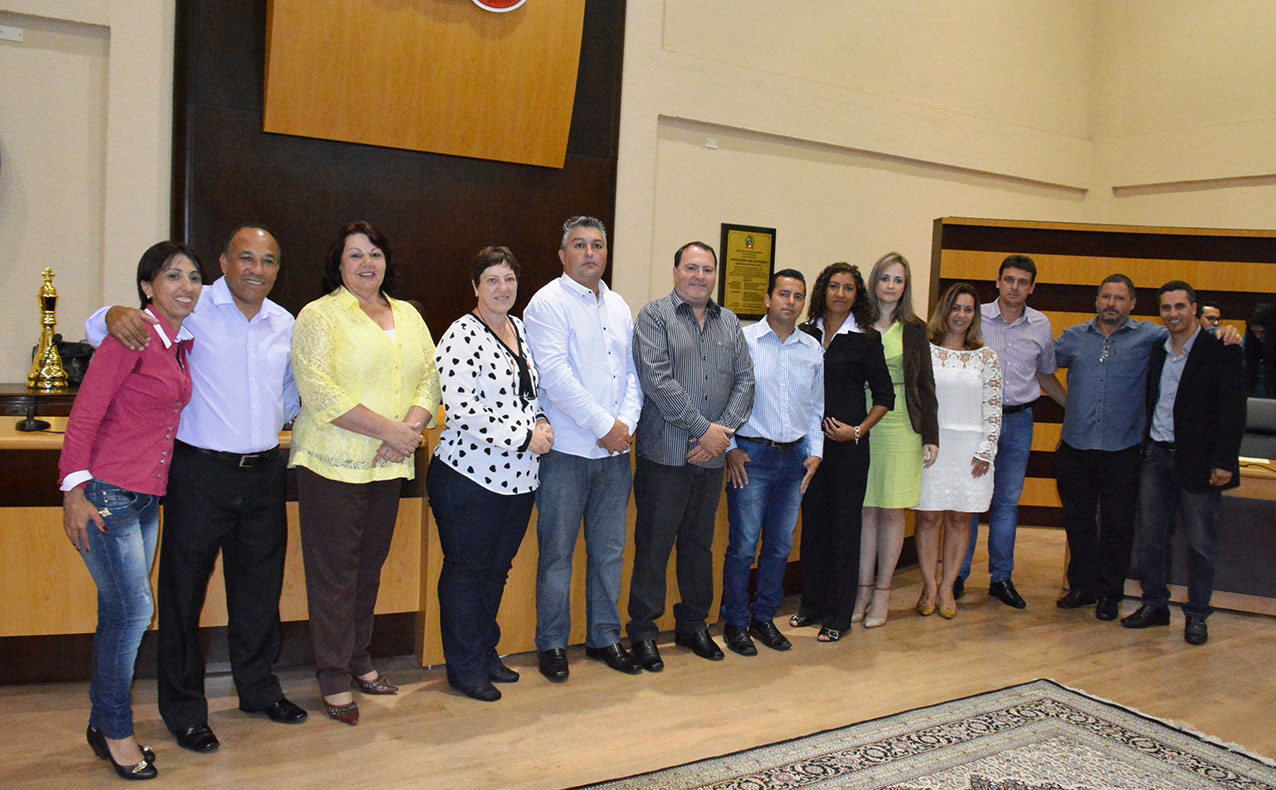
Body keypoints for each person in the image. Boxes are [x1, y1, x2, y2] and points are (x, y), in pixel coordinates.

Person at [91, 225, 306, 754]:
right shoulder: (193, 304)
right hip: (200, 473)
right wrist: (112, 313)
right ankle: (184, 711)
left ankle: (258, 689)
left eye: (268, 261)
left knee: (259, 591)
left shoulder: (285, 322)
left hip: (264, 472)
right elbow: (106, 331)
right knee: (182, 595)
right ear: (224, 262)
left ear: (279, 269)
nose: (257, 269)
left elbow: (288, 392)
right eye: (246, 258)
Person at [60, 241, 203, 780]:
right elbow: (85, 414)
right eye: (173, 276)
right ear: (148, 286)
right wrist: (73, 491)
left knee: (118, 613)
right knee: (134, 612)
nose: (186, 286)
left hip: (146, 497)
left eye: (194, 277)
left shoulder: (176, 343)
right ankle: (118, 732)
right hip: (108, 494)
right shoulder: (133, 336)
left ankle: (103, 722)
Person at [289, 221, 440, 724]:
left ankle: (358, 658)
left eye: (374, 253)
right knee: (334, 574)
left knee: (368, 568)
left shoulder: (408, 315)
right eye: (355, 255)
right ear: (339, 264)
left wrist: (408, 431)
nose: (366, 263)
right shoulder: (319, 315)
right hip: (332, 464)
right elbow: (319, 392)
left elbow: (429, 380)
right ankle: (332, 675)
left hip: (388, 466)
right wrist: (390, 431)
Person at [1054, 278, 1244, 621]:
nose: (1111, 303)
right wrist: (1070, 405)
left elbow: (1230, 405)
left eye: (1120, 298)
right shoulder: (1088, 338)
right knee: (1113, 529)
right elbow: (1040, 365)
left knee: (1154, 533)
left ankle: (1166, 607)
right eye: (1106, 297)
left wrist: (1225, 330)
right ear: (1096, 300)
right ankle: (1113, 594)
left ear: (1133, 304)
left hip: (1154, 454)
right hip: (1112, 450)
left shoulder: (1170, 341)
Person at [430, 247, 554, 701]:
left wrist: (541, 423)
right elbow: (463, 410)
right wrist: (525, 437)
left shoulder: (519, 329)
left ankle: (484, 653)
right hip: (469, 478)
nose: (503, 288)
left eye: (509, 279)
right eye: (492, 280)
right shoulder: (460, 335)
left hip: (518, 480)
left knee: (496, 572)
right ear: (475, 287)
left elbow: (528, 396)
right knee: (467, 572)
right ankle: (463, 667)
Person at [523, 217, 643, 681]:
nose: (589, 253)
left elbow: (632, 375)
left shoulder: (619, 306)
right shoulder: (546, 303)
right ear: (562, 255)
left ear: (606, 254)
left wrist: (625, 425)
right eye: (579, 245)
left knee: (610, 551)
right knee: (557, 554)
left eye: (597, 245)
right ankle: (552, 643)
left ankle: (604, 637)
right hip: (567, 453)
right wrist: (604, 426)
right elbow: (555, 376)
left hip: (615, 455)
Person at [627, 241, 754, 669]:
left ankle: (694, 624)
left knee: (699, 546)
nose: (700, 276)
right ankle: (643, 631)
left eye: (707, 269)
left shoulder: (729, 322)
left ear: (716, 275)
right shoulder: (654, 317)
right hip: (665, 457)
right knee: (654, 547)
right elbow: (657, 381)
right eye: (691, 268)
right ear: (675, 271)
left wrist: (721, 435)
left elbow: (745, 382)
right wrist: (705, 430)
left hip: (711, 459)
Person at [1122, 281, 1245, 646]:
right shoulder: (1157, 350)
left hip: (1201, 462)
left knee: (1200, 544)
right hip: (1157, 455)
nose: (1173, 314)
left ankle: (1197, 615)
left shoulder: (1221, 348)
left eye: (1180, 306)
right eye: (1166, 308)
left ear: (1194, 308)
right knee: (1151, 539)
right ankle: (1155, 604)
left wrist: (1225, 461)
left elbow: (1233, 411)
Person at [720, 269, 823, 656]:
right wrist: (730, 447)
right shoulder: (743, 341)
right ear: (767, 299)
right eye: (783, 294)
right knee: (744, 547)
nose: (790, 302)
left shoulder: (811, 349)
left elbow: (816, 406)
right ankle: (736, 622)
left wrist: (816, 452)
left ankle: (764, 618)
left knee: (779, 547)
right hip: (752, 457)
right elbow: (723, 397)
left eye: (798, 296)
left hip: (795, 458)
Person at [792, 262, 893, 643]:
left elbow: (885, 397)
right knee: (814, 527)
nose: (840, 294)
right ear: (823, 291)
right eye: (834, 286)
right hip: (810, 448)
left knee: (844, 531)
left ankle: (837, 616)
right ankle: (811, 606)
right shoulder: (805, 333)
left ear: (857, 295)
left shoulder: (866, 339)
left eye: (848, 288)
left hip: (847, 449)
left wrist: (857, 431)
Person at [958, 254, 1062, 609]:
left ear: (1032, 288)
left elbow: (1045, 373)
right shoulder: (976, 316)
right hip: (975, 420)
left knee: (1006, 503)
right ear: (998, 282)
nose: (1015, 287)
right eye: (1009, 280)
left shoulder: (1041, 325)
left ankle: (1001, 578)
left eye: (1022, 282)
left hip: (1018, 421)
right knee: (970, 501)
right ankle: (958, 575)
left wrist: (1072, 407)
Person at [855, 252, 939, 629]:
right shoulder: (857, 323)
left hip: (902, 422)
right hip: (863, 420)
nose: (890, 286)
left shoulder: (916, 328)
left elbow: (926, 385)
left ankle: (883, 593)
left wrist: (931, 436)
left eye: (898, 280)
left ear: (906, 287)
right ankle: (861, 590)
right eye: (885, 278)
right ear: (874, 282)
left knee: (891, 510)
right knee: (865, 508)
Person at [915, 283, 1002, 620]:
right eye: (955, 308)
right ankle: (929, 586)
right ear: (944, 311)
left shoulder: (986, 357)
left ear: (974, 316)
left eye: (968, 309)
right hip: (932, 446)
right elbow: (917, 399)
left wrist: (986, 449)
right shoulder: (926, 350)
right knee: (928, 517)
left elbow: (993, 407)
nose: (961, 315)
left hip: (970, 449)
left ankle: (948, 587)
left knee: (960, 518)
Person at [1243, 302, 1276, 398]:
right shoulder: (1249, 340)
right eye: (1255, 332)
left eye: (1262, 332)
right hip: (1255, 392)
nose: (1258, 336)